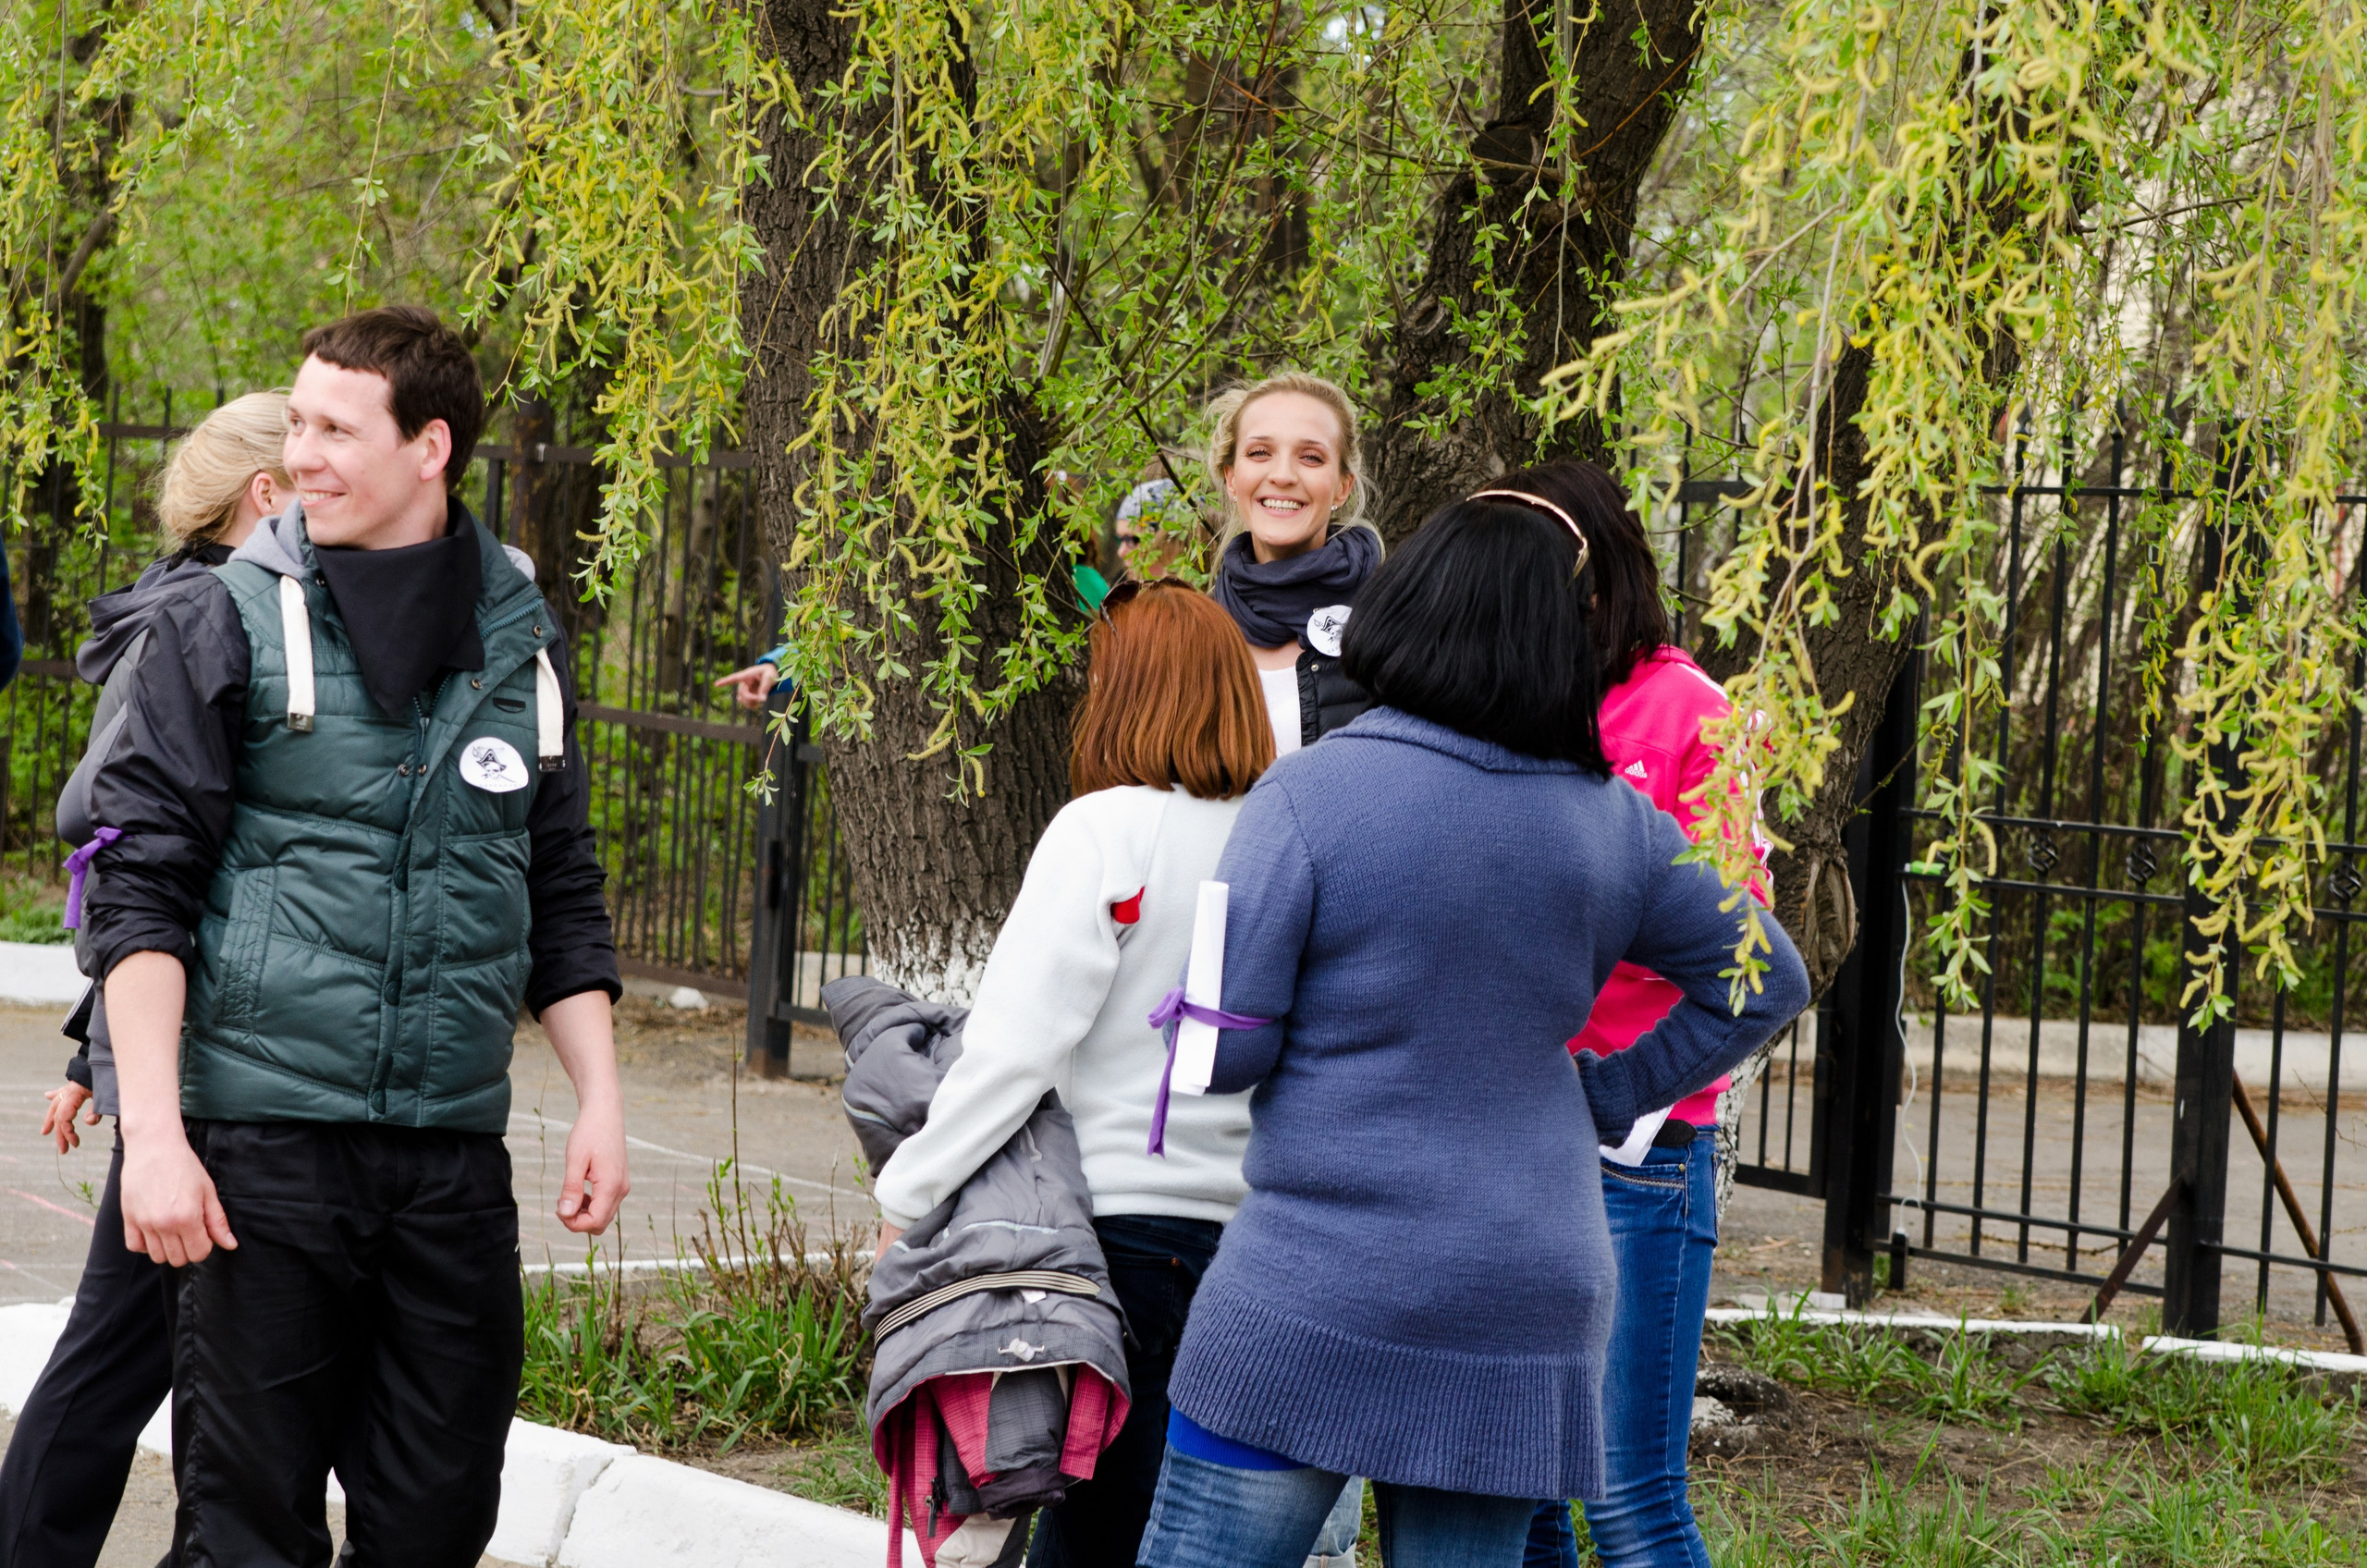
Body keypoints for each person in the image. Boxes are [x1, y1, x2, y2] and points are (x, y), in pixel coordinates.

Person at [1134, 493, 1810, 1568]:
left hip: (1315, 1278)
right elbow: (1768, 979)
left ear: (1401, 609)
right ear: (1559, 638)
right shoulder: (1614, 820)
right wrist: (1609, 1090)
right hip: (1524, 1294)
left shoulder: (1305, 796)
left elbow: (1226, 1054)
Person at [76, 306, 631, 1568]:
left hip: (447, 1166)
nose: (304, 454)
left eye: (337, 427)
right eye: (300, 421)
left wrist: (598, 1098)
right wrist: (155, 1142)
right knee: (249, 1536)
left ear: (430, 447)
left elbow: (560, 885)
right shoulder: (218, 621)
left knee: (436, 1521)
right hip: (261, 1160)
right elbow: (140, 897)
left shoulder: (521, 638)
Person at [865, 580, 1272, 1568]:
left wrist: (909, 1194)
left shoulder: (1104, 830)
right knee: (1176, 1532)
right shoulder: (1279, 837)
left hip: (1112, 1238)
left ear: (1123, 691)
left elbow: (1015, 1046)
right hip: (1257, 1239)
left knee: (1081, 1529)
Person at [0, 392, 293, 1568]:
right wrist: (109, 1049)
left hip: (195, 1042)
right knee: (131, 1354)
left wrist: (88, 1049)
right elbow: (125, 844)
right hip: (205, 1052)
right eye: (310, 456)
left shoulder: (221, 608)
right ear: (264, 497)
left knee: (163, 1352)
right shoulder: (207, 619)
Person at [1502, 461, 1766, 1568]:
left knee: (1625, 1497)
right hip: (1502, 1142)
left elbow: (1746, 959)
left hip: (1633, 1152)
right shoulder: (1503, 694)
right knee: (1517, 1492)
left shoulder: (1688, 709)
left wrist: (1620, 1093)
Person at [1201, 374, 1379, 755]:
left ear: (1342, 486)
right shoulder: (1193, 636)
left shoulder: (1395, 623)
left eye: (1311, 457)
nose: (1282, 475)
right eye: (1259, 453)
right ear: (1232, 479)